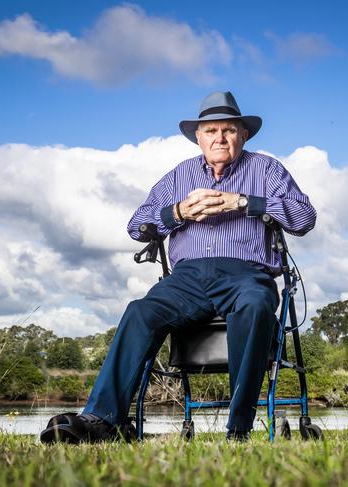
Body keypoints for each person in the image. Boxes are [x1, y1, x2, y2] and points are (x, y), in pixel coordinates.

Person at [40, 91, 316, 443]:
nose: (219, 138)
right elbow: (137, 225)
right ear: (198, 138)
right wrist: (178, 213)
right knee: (140, 311)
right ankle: (101, 420)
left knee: (255, 304)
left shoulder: (265, 169)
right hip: (187, 280)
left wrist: (244, 202)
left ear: (243, 135)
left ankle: (239, 427)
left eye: (228, 130)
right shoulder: (178, 176)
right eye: (211, 131)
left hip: (246, 273)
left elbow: (305, 217)